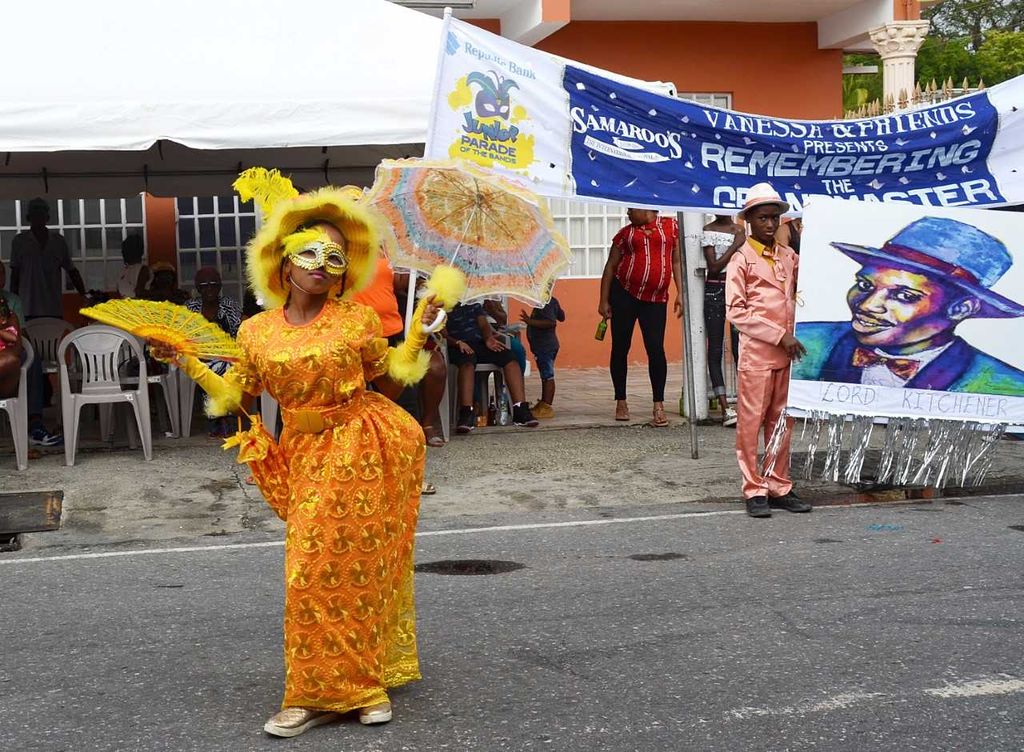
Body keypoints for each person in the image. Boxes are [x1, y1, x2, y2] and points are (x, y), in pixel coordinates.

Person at [155, 169, 462, 738]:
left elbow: (387, 382)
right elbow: (239, 397)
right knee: (308, 572)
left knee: (357, 568)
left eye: (336, 257)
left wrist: (418, 335)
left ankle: (358, 687)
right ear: (284, 260)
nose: (323, 264)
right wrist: (188, 361)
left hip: (362, 446)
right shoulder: (256, 331)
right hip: (302, 452)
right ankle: (322, 689)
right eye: (312, 252)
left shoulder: (357, 319)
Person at [793, 216, 1024, 394]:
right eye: (864, 285)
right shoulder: (804, 340)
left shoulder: (1007, 386)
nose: (868, 305)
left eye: (904, 296)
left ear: (961, 308)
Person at [725, 183, 811, 519]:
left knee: (781, 423)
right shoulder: (741, 260)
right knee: (750, 424)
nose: (770, 224)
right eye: (763, 218)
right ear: (749, 220)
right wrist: (779, 335)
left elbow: (813, 282)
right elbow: (736, 312)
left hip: (788, 355)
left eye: (775, 218)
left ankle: (778, 484)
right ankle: (753, 488)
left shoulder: (789, 257)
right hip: (758, 356)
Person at [598, 208, 683, 427]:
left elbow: (676, 262)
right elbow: (610, 267)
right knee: (620, 347)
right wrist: (604, 300)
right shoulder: (624, 235)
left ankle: (658, 405)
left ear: (646, 209)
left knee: (656, 349)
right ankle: (621, 401)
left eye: (631, 209)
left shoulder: (671, 228)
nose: (627, 212)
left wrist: (681, 292)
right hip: (623, 295)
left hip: (655, 299)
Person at [447, 302, 538, 431]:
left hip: (479, 343)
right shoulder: (441, 308)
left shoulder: (472, 305)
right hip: (458, 346)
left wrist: (488, 338)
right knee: (467, 363)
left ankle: (520, 409)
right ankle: (466, 412)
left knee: (509, 358)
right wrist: (456, 343)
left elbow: (484, 324)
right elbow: (441, 333)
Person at [0, 258, 61, 446]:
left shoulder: (11, 301)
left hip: (8, 349)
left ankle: (35, 424)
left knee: (32, 358)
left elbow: (21, 335)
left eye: (1, 273)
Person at [185, 267, 243, 437]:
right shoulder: (190, 308)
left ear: (219, 286)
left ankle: (219, 417)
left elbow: (240, 333)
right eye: (205, 285)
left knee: (222, 367)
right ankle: (220, 418)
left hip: (227, 353)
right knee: (213, 368)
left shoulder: (230, 305)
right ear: (198, 288)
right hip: (198, 354)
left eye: (214, 285)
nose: (209, 289)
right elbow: (182, 335)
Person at [9, 198, 88, 318]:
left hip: (52, 308)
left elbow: (72, 271)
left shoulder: (58, 241)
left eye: (41, 214)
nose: (38, 218)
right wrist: (13, 306)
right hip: (27, 308)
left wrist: (84, 295)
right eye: (35, 214)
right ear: (28, 218)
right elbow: (15, 276)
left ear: (47, 218)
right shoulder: (19, 241)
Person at [701, 215, 744, 427]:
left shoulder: (740, 229)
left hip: (737, 290)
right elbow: (714, 267)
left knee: (740, 348)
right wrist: (735, 245)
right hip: (715, 289)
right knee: (715, 348)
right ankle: (725, 406)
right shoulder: (709, 230)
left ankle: (745, 404)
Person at [519, 295, 564, 419]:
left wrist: (530, 321)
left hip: (545, 346)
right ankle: (543, 403)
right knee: (544, 376)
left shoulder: (546, 302)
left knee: (547, 376)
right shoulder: (551, 301)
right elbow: (562, 316)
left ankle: (547, 407)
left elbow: (551, 322)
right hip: (544, 346)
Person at [115, 234, 150, 299]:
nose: (122, 253)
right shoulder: (123, 271)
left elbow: (139, 293)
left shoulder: (143, 269)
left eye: (125, 250)